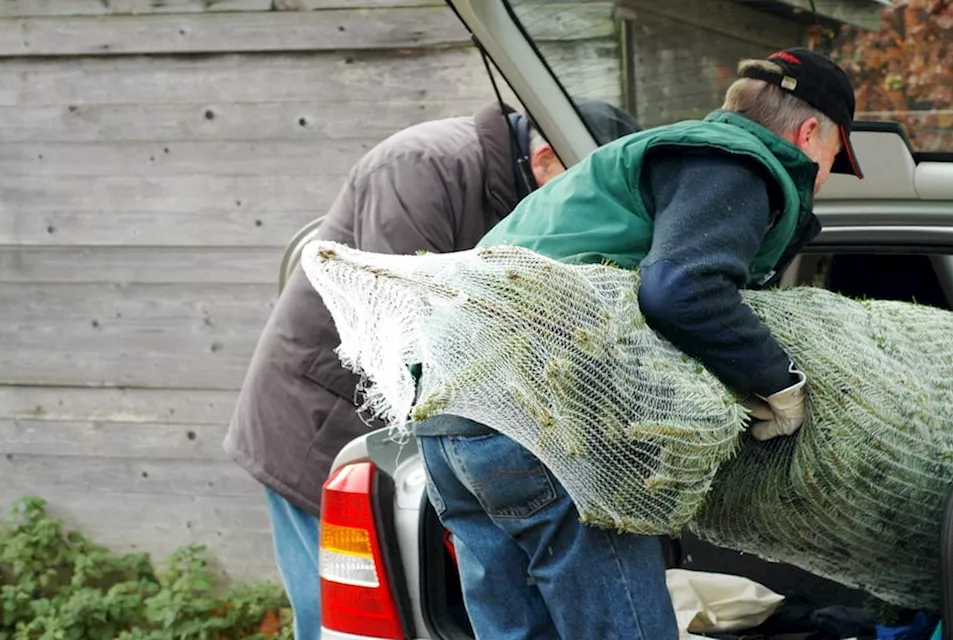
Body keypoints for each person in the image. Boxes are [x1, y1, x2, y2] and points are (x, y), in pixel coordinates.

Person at [413, 48, 863, 640]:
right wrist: (779, 380)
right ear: (809, 133)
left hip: (449, 414)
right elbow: (681, 288)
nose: (824, 178)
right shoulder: (731, 164)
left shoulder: (633, 165)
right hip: (543, 421)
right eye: (833, 158)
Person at [224, 98, 640, 640]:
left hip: (402, 425)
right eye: (584, 188)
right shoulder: (420, 167)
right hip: (321, 424)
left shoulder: (518, 187)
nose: (586, 208)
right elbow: (403, 322)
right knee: (340, 617)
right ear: (544, 159)